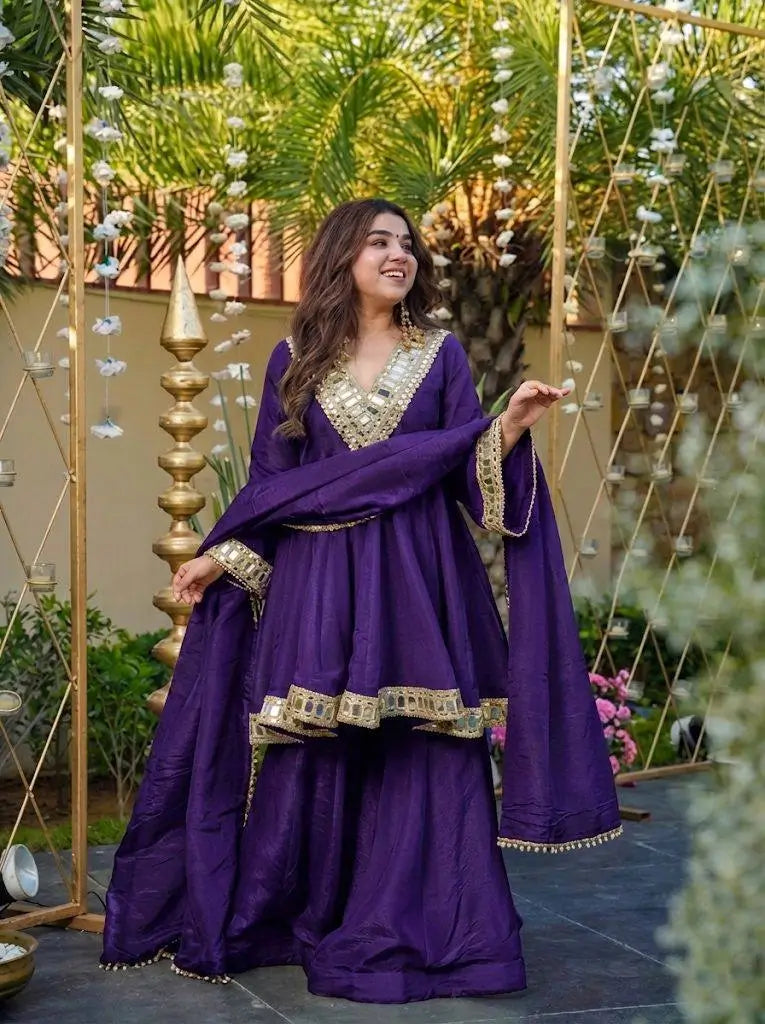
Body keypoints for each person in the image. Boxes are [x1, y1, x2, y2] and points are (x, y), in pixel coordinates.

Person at [100, 198, 622, 1003]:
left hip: (418, 579)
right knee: (317, 751)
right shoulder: (295, 359)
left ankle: (435, 928)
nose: (397, 255)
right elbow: (272, 487)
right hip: (320, 584)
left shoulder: (441, 355)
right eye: (378, 242)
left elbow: (465, 471)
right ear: (342, 256)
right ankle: (309, 912)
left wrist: (509, 427)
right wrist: (219, 557)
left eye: (405, 244)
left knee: (425, 748)